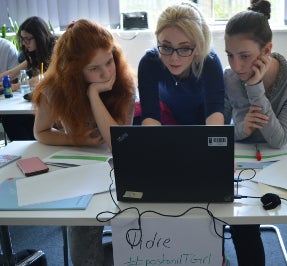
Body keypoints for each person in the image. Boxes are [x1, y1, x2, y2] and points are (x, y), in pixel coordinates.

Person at [31, 19, 135, 265]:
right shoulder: (55, 89)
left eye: (109, 61)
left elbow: (117, 144)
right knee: (82, 227)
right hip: (81, 173)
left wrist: (93, 95)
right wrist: (74, 139)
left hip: (122, 169)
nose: (106, 73)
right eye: (94, 69)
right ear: (74, 70)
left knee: (137, 226)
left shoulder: (124, 85)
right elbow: (41, 132)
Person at [223, 0, 287, 265]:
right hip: (242, 164)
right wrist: (241, 129)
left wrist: (255, 87)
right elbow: (221, 133)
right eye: (229, 54)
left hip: (283, 162)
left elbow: (280, 138)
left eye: (245, 56)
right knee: (238, 217)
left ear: (267, 49)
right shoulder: (228, 77)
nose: (236, 66)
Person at [136, 1, 224, 126]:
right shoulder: (149, 62)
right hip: (165, 119)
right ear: (157, 41)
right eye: (166, 47)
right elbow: (150, 115)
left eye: (185, 48)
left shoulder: (209, 61)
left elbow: (215, 112)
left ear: (199, 47)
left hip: (201, 123)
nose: (174, 58)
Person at [0, 16, 57, 141]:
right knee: (10, 118)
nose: (24, 44)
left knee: (18, 119)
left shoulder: (56, 48)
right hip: (41, 99)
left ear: (39, 36)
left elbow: (46, 77)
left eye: (27, 39)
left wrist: (16, 86)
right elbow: (13, 73)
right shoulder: (34, 53)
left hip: (56, 100)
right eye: (22, 39)